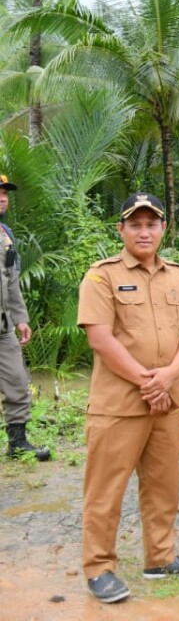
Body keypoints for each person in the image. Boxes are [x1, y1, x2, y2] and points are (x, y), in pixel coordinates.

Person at [77, 193, 179, 603]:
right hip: (119, 405)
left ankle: (160, 557)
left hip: (168, 404)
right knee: (106, 489)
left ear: (163, 229)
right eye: (135, 224)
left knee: (163, 485)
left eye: (151, 223)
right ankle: (100, 568)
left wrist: (169, 376)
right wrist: (146, 381)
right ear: (121, 229)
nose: (144, 231)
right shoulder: (101, 276)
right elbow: (100, 337)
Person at [0, 175, 49, 461]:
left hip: (4, 327)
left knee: (18, 382)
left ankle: (17, 443)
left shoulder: (6, 234)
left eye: (5, 192)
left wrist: (20, 318)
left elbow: (11, 280)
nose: (3, 197)